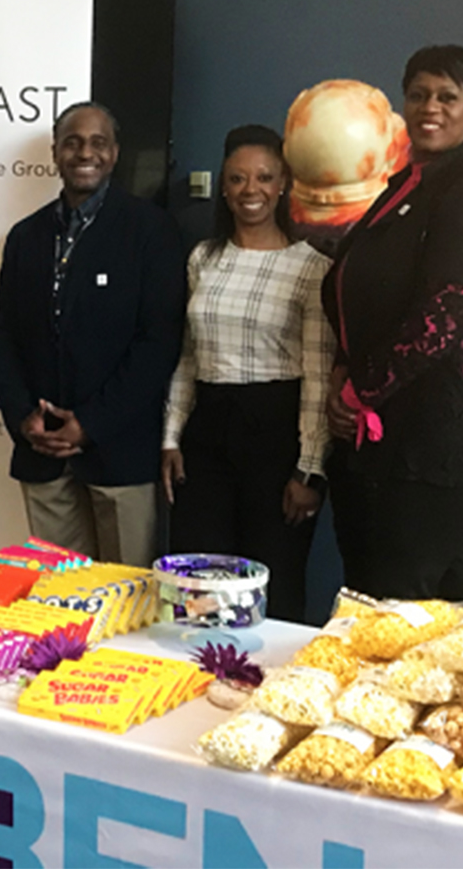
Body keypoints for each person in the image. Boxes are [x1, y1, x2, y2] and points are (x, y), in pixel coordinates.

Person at [322, 44, 463, 601]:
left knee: (422, 609)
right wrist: (347, 370)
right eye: (418, 95)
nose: (430, 108)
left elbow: (446, 315)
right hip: (385, 432)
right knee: (373, 598)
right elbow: (361, 293)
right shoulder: (404, 188)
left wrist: (360, 391)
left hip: (442, 435)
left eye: (447, 96)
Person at [0, 102, 185, 568]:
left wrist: (91, 424)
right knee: (59, 599)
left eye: (98, 142)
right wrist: (22, 417)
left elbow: (158, 343)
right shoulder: (26, 237)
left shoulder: (150, 231)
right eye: (72, 142)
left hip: (120, 454)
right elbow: (6, 334)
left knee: (128, 600)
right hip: (43, 454)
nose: (85, 152)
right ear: (55, 152)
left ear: (115, 154)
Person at [160, 125, 332, 622]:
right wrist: (171, 437)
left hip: (276, 435)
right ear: (224, 187)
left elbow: (319, 376)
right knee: (199, 584)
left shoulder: (310, 267)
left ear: (284, 185)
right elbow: (188, 357)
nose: (249, 190)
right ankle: (194, 682)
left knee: (273, 577)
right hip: (206, 433)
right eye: (236, 179)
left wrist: (310, 468)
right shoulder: (203, 258)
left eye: (263, 177)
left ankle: (270, 690)